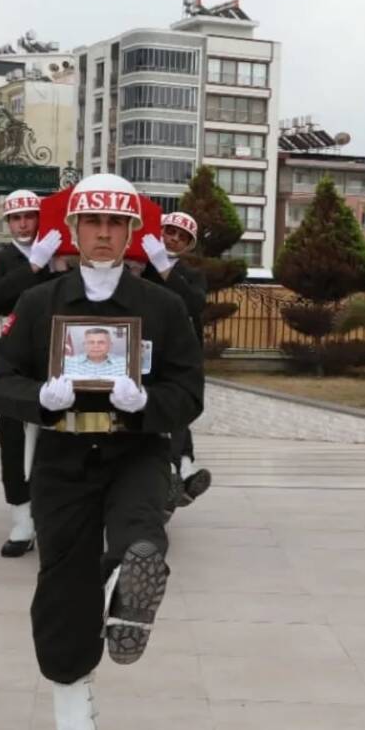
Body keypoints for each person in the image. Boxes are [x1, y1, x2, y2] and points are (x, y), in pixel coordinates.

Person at [0, 174, 204, 730]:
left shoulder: (162, 307)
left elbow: (188, 392)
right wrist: (40, 399)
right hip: (61, 458)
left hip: (135, 450)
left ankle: (131, 589)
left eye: (116, 224)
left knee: (142, 532)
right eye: (92, 223)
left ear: (133, 232)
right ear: (75, 230)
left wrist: (146, 402)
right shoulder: (40, 303)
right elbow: (2, 379)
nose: (104, 234)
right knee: (63, 588)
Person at [0, 189, 62, 558]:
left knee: (55, 437)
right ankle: (21, 517)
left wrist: (58, 265)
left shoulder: (59, 256)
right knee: (13, 438)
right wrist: (34, 266)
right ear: (7, 222)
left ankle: (53, 512)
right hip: (13, 360)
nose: (23, 223)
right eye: (16, 218)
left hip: (53, 358)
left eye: (29, 216)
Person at [141, 211, 212, 508]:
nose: (174, 239)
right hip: (144, 347)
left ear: (188, 246)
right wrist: (151, 264)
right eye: (170, 231)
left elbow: (193, 303)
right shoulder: (140, 265)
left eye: (182, 237)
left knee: (179, 408)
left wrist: (164, 268)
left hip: (178, 349)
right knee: (155, 410)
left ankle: (180, 470)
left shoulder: (191, 274)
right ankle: (180, 471)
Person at [63, 326, 128, 378]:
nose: (96, 346)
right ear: (84, 345)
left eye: (101, 342)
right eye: (91, 342)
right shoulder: (69, 364)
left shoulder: (124, 364)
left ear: (110, 345)